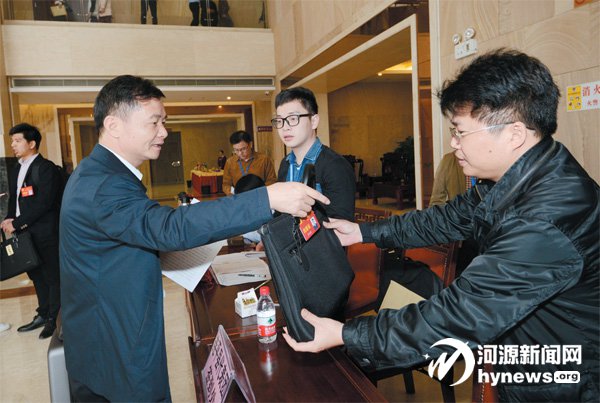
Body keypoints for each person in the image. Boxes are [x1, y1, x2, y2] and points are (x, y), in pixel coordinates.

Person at [283, 49, 599, 402]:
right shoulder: (516, 179)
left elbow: (460, 314)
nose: (453, 143)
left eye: (460, 131)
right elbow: (445, 218)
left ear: (514, 134)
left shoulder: (547, 218)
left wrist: (347, 334)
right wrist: (363, 232)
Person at [59, 75, 329, 402]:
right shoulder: (105, 184)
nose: (163, 131)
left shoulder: (101, 173)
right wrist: (267, 198)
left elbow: (127, 240)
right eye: (154, 122)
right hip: (114, 346)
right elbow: (168, 228)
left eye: (164, 121)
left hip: (108, 335)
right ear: (114, 125)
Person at [1, 123, 61, 340]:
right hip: (25, 234)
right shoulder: (18, 168)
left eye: (18, 141)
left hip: (45, 232)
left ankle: (54, 319)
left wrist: (17, 223)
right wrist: (9, 218)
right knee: (36, 275)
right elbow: (15, 199)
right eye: (12, 141)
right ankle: (43, 313)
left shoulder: (45, 168)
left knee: (52, 277)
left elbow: (44, 203)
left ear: (32, 143)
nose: (13, 145)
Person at [273, 86, 355, 221]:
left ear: (314, 121)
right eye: (279, 120)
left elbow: (341, 224)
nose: (285, 127)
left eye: (293, 118)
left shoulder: (335, 166)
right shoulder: (285, 164)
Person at [222, 130, 276, 196]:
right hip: (239, 198)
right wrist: (232, 193)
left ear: (250, 144)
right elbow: (226, 184)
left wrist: (260, 192)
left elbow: (271, 181)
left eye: (243, 149)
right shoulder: (230, 162)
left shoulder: (264, 160)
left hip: (260, 196)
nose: (240, 153)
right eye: (236, 150)